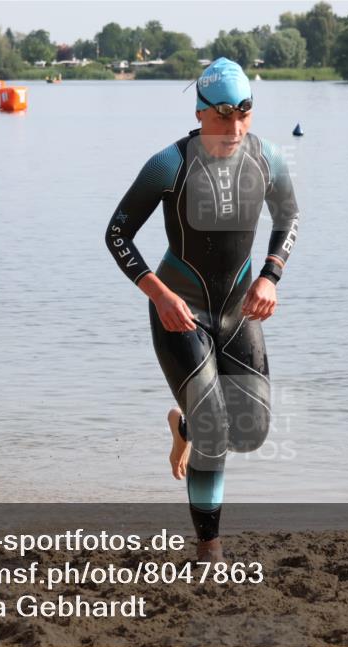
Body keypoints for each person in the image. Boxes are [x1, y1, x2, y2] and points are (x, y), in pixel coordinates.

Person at [105, 58, 300, 562]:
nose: (234, 129)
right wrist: (159, 294)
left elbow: (289, 216)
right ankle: (209, 548)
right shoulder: (168, 164)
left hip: (238, 311)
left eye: (244, 115)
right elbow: (117, 233)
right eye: (221, 117)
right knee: (215, 427)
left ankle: (185, 426)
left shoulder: (269, 159)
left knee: (253, 432)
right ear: (200, 111)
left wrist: (270, 276)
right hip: (180, 309)